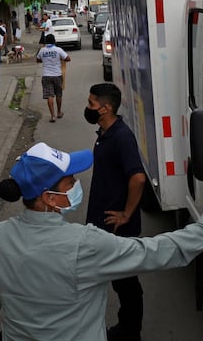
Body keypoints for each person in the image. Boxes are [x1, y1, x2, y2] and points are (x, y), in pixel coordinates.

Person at [0, 142, 203, 341]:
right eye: (70, 181)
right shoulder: (84, 245)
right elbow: (156, 252)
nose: (77, 184)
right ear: (50, 198)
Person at [82, 83, 149, 340]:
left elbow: (138, 178)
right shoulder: (106, 132)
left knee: (126, 283)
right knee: (116, 281)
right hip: (103, 224)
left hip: (119, 227)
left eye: (91, 104)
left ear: (105, 107)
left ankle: (130, 332)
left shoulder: (121, 136)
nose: (88, 108)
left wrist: (126, 214)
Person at [36, 35, 70, 123]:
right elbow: (68, 58)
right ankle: (59, 112)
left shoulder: (42, 50)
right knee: (58, 94)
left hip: (46, 75)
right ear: (54, 41)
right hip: (57, 75)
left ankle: (52, 116)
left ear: (46, 42)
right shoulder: (58, 50)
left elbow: (38, 60)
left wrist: (45, 60)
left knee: (49, 96)